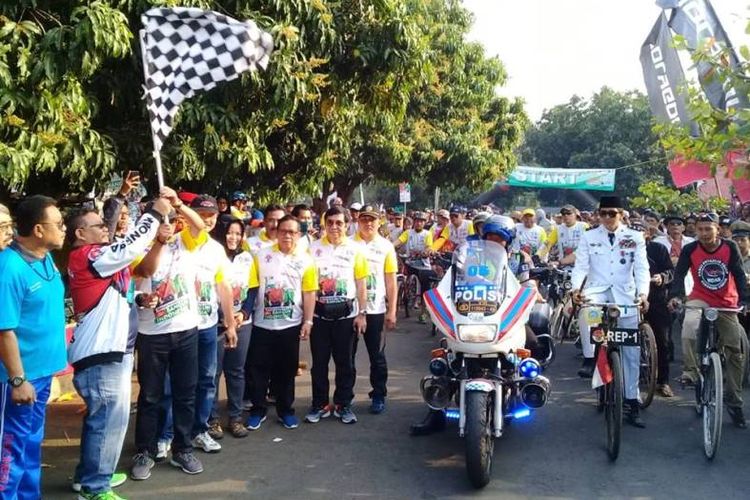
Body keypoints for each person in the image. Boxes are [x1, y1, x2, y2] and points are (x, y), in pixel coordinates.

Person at [66, 197, 171, 499]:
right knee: (107, 422)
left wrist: (138, 300)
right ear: (80, 235)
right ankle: (95, 488)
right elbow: (131, 247)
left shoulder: (99, 258)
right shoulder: (89, 255)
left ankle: (89, 476)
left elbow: (118, 291)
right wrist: (154, 213)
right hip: (102, 352)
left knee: (107, 419)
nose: (104, 228)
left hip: (115, 350)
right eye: (96, 225)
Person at [130, 188, 209, 480]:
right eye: (161, 216)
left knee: (185, 393)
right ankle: (145, 451)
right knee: (150, 395)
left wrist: (178, 204)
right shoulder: (138, 246)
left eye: (171, 217)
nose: (169, 221)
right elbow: (144, 272)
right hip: (152, 334)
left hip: (186, 329)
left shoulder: (186, 242)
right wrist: (158, 242)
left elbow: (200, 225)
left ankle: (182, 449)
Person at [0, 195, 68, 498]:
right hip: (19, 378)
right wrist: (17, 379)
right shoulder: (9, 268)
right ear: (39, 230)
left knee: (30, 443)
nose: (64, 228)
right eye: (59, 223)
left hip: (41, 374)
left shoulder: (44, 257)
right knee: (10, 450)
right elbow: (4, 330)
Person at [158, 195, 237, 456]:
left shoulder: (216, 250)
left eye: (212, 214)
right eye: (202, 214)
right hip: (181, 326)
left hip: (208, 327)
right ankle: (166, 434)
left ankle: (199, 429)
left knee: (206, 380)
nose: (208, 219)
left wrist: (229, 323)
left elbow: (223, 287)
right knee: (174, 383)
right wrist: (178, 204)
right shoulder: (179, 242)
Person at [571, 196, 650, 428]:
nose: (606, 218)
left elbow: (642, 268)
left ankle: (631, 400)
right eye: (602, 213)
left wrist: (643, 294)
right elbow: (581, 266)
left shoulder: (634, 237)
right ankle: (590, 356)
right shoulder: (589, 236)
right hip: (597, 292)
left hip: (625, 295)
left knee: (631, 352)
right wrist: (576, 289)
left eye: (611, 213)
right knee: (587, 315)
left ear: (621, 214)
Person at [668, 213, 749, 427]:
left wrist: (745, 300)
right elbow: (679, 275)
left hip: (726, 302)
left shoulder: (730, 247)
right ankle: (691, 372)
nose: (704, 234)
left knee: (735, 351)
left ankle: (734, 401)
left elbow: (739, 275)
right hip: (699, 298)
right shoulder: (690, 249)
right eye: (700, 229)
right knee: (690, 325)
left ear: (718, 229)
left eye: (708, 229)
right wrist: (675, 296)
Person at [245, 215, 317, 430]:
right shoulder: (260, 256)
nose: (287, 235)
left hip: (290, 325)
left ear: (299, 235)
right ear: (276, 232)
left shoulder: (306, 260)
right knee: (258, 370)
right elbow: (252, 287)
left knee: (286, 371)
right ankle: (258, 410)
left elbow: (309, 293)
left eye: (292, 232)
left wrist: (308, 321)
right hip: (262, 324)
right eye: (283, 231)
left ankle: (286, 410)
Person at [305, 206, 369, 424]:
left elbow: (361, 284)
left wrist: (362, 314)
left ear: (347, 224)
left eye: (339, 223)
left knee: (346, 364)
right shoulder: (312, 249)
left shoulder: (355, 250)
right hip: (320, 317)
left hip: (346, 317)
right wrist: (308, 318)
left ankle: (343, 405)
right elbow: (308, 286)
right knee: (319, 364)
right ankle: (320, 404)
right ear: (324, 223)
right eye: (330, 222)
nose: (334, 227)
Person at [210, 219, 257, 439]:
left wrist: (243, 314)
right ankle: (212, 420)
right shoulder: (211, 256)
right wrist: (225, 318)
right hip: (216, 324)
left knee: (236, 372)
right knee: (213, 373)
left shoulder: (247, 257)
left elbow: (254, 289)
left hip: (242, 324)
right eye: (229, 233)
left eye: (238, 234)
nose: (234, 238)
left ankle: (235, 418)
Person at [352, 206, 397, 414]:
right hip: (350, 310)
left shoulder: (386, 247)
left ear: (379, 222)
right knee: (346, 355)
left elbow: (390, 281)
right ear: (358, 221)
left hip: (376, 309)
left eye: (372, 220)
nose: (368, 224)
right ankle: (345, 396)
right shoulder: (349, 243)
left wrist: (392, 310)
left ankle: (378, 394)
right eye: (364, 220)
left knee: (377, 356)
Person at [630, 220, 675, 398]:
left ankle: (663, 381)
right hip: (628, 298)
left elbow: (671, 272)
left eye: (640, 233)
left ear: (647, 234)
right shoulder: (621, 250)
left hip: (655, 298)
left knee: (661, 341)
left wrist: (661, 277)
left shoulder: (658, 249)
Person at [394, 211, 434, 324]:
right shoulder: (408, 232)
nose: (418, 223)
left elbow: (429, 246)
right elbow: (399, 241)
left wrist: (426, 252)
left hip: (423, 265)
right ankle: (402, 297)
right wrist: (390, 246)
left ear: (424, 223)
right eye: (417, 221)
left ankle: (423, 311)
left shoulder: (427, 234)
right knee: (401, 278)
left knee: (425, 289)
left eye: (421, 221)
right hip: (410, 263)